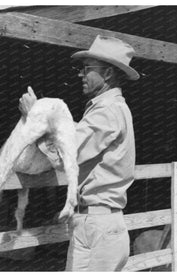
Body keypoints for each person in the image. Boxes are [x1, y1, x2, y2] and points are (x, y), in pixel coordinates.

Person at [19, 35, 139, 271]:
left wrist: (36, 115)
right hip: (97, 222)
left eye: (87, 69)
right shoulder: (108, 109)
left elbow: (69, 149)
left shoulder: (107, 111)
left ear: (107, 74)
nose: (80, 74)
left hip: (97, 226)